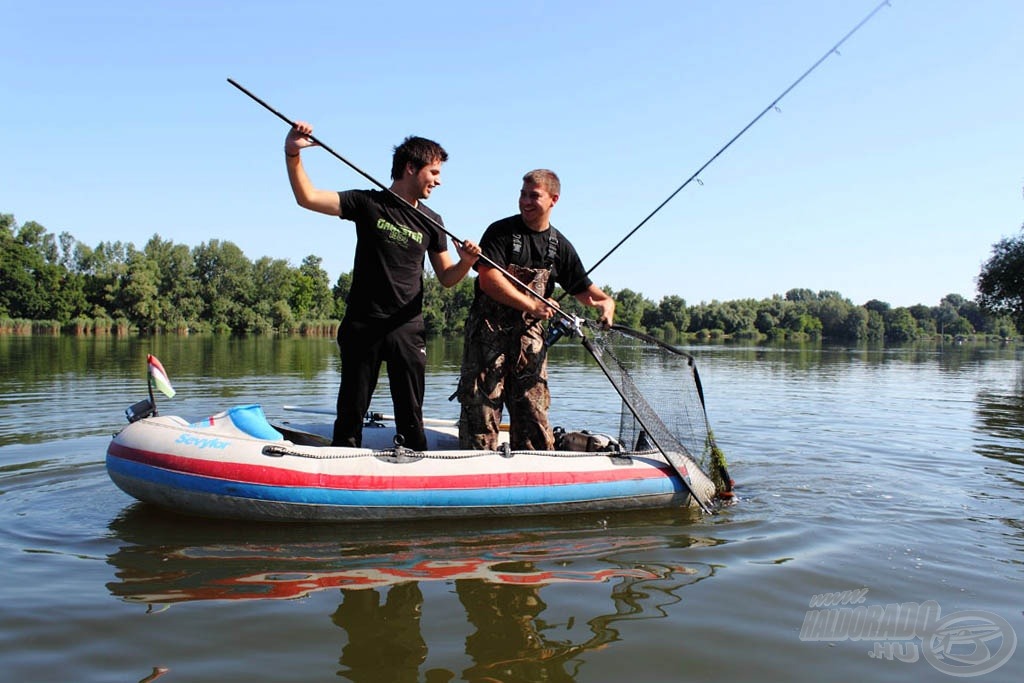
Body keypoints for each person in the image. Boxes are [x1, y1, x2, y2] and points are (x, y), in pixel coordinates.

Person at [285, 122, 480, 450]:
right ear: (410, 168)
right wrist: (293, 152)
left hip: (407, 329)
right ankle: (342, 472)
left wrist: (466, 263)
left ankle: (416, 473)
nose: (438, 180)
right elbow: (307, 197)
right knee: (350, 413)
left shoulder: (433, 221)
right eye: (433, 172)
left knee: (411, 416)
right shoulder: (367, 203)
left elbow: (447, 277)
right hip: (364, 325)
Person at [457, 169, 615, 451]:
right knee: (480, 413)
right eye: (522, 194)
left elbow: (586, 291)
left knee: (533, 413)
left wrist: (606, 302)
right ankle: (477, 470)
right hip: (487, 338)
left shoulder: (559, 247)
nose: (526, 201)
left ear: (554, 199)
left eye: (534, 195)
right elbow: (489, 280)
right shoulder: (501, 232)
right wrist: (532, 304)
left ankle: (534, 472)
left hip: (530, 344)